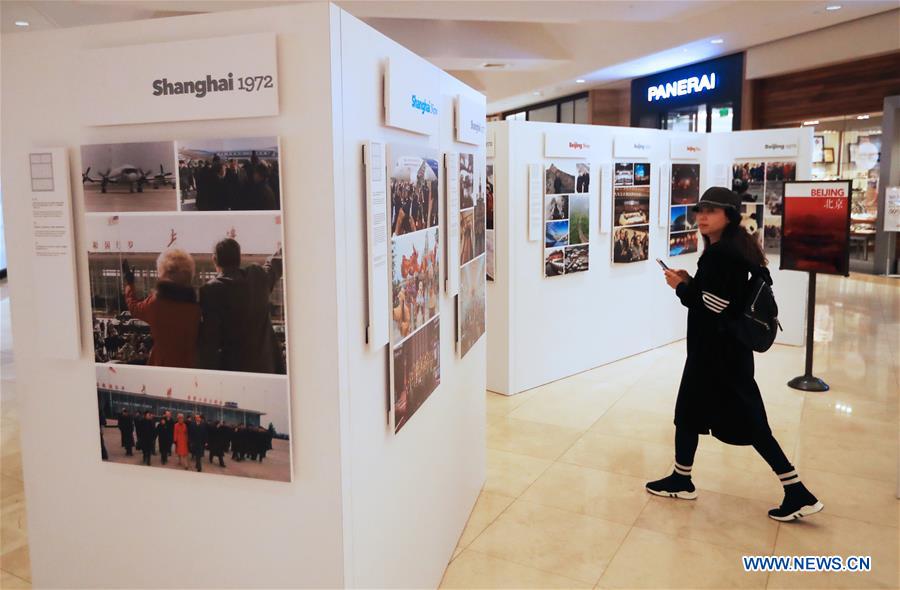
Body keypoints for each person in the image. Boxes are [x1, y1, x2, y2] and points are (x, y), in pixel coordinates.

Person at [646, 187, 823, 522]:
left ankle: (797, 490)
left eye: (710, 211)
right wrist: (691, 282)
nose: (702, 217)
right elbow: (721, 295)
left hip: (719, 355)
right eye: (700, 210)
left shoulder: (721, 254)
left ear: (728, 215)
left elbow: (717, 305)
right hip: (722, 350)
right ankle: (681, 478)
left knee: (752, 424)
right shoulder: (732, 248)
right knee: (688, 412)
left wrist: (681, 288)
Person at [197, 239, 285, 374]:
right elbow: (276, 263)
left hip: (234, 372)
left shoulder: (210, 291)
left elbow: (210, 341)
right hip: (266, 368)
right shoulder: (257, 277)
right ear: (239, 257)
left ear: (215, 259)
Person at [122, 249, 201, 369]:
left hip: (161, 366)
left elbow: (134, 307)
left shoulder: (155, 303)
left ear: (163, 271)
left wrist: (130, 284)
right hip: (189, 368)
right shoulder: (196, 307)